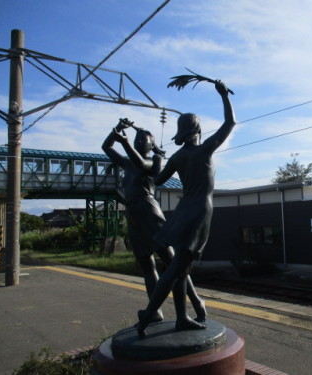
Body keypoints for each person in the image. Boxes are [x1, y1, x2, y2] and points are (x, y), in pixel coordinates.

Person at [137, 81, 235, 336]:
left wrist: (157, 156)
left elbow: (157, 180)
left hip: (183, 212)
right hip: (199, 212)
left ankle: (182, 318)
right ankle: (148, 315)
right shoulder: (203, 150)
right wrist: (224, 96)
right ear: (198, 129)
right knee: (175, 270)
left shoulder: (178, 156)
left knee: (180, 270)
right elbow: (229, 124)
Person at [102, 119, 206, 323]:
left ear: (152, 144)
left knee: (172, 261)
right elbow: (106, 147)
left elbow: (143, 164)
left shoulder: (155, 159)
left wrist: (124, 142)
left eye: (144, 139)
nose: (140, 140)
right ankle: (155, 311)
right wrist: (116, 131)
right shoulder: (126, 161)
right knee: (146, 264)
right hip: (132, 214)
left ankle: (195, 300)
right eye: (137, 138)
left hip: (149, 210)